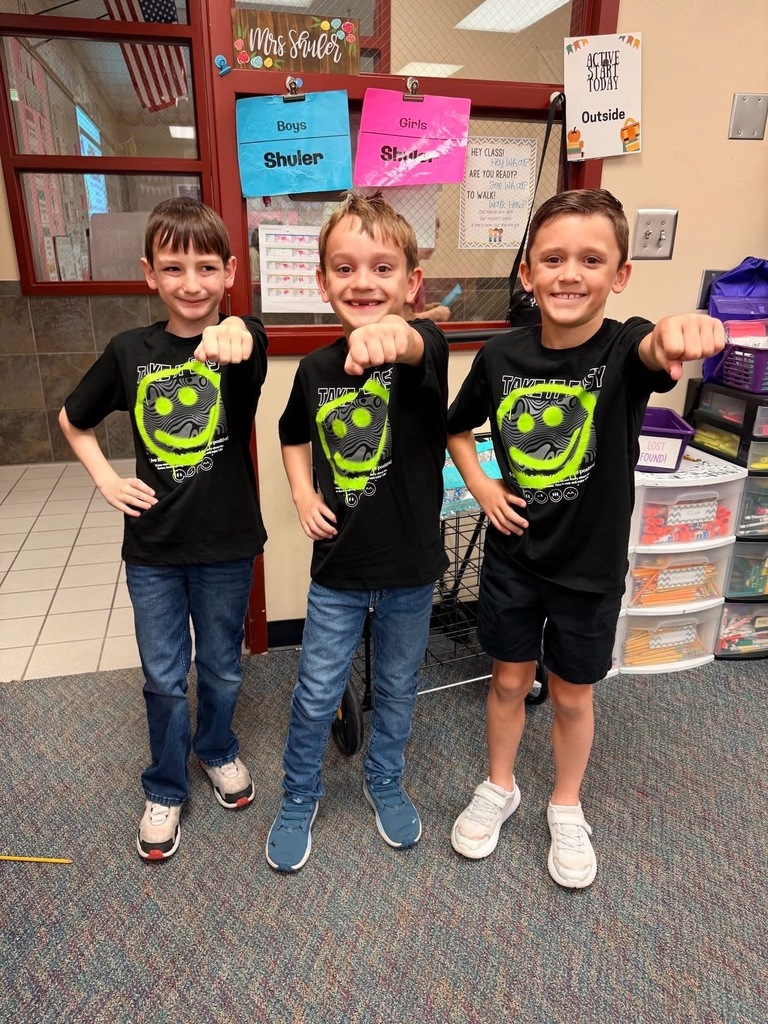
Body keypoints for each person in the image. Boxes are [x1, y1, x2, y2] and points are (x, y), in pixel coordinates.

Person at [446, 188, 724, 888]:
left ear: (620, 274)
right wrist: (483, 487)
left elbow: (659, 345)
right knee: (509, 681)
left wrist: (681, 329)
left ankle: (566, 804)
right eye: (553, 258)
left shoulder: (625, 347)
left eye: (592, 259)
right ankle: (500, 785)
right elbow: (456, 427)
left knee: (572, 695)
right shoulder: (500, 355)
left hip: (589, 567)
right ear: (527, 273)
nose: (570, 273)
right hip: (513, 559)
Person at [59, 197, 268, 861]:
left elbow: (247, 338)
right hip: (152, 548)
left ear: (230, 271)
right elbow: (73, 420)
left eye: (207, 268)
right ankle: (166, 784)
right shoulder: (130, 350)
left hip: (227, 543)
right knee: (163, 674)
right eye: (174, 268)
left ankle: (217, 747)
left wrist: (235, 330)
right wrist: (106, 480)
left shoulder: (241, 343)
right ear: (150, 273)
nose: (191, 283)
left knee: (222, 667)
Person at [266, 191, 449, 872]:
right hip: (339, 570)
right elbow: (291, 434)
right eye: (345, 268)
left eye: (382, 268)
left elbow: (414, 342)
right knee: (316, 690)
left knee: (397, 688)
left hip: (410, 570)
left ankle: (384, 779)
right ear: (322, 283)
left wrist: (396, 335)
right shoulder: (315, 370)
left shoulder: (427, 349)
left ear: (411, 282)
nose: (363, 282)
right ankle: (299, 792)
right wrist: (302, 491)